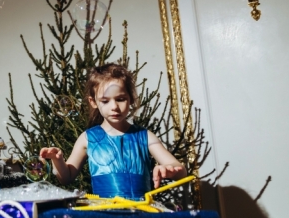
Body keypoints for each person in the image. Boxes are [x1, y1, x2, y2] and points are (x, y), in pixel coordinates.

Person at [40, 63, 186, 199]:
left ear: (131, 99)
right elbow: (66, 178)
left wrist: (170, 170)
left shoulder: (145, 136)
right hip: (105, 213)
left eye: (120, 99)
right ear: (93, 102)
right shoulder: (87, 138)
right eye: (105, 101)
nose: (114, 107)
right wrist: (57, 160)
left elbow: (181, 171)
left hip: (143, 212)